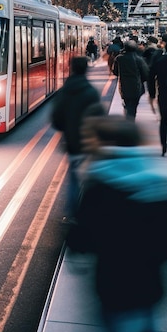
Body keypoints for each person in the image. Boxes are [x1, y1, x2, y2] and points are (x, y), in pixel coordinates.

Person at [67, 114, 167, 332]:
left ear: (107, 145)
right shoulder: (154, 182)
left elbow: (81, 240)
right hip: (149, 288)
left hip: (114, 289)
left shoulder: (98, 188)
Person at [51, 56, 104, 220]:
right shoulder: (91, 91)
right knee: (90, 177)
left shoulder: (64, 91)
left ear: (71, 68)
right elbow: (98, 118)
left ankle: (72, 213)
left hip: (71, 142)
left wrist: (66, 130)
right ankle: (88, 211)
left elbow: (56, 118)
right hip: (89, 142)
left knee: (73, 177)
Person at [112, 40, 149, 119]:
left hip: (123, 86)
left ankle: (128, 117)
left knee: (128, 103)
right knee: (133, 106)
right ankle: (130, 120)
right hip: (136, 86)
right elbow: (145, 74)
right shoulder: (139, 59)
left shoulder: (119, 58)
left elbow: (115, 72)